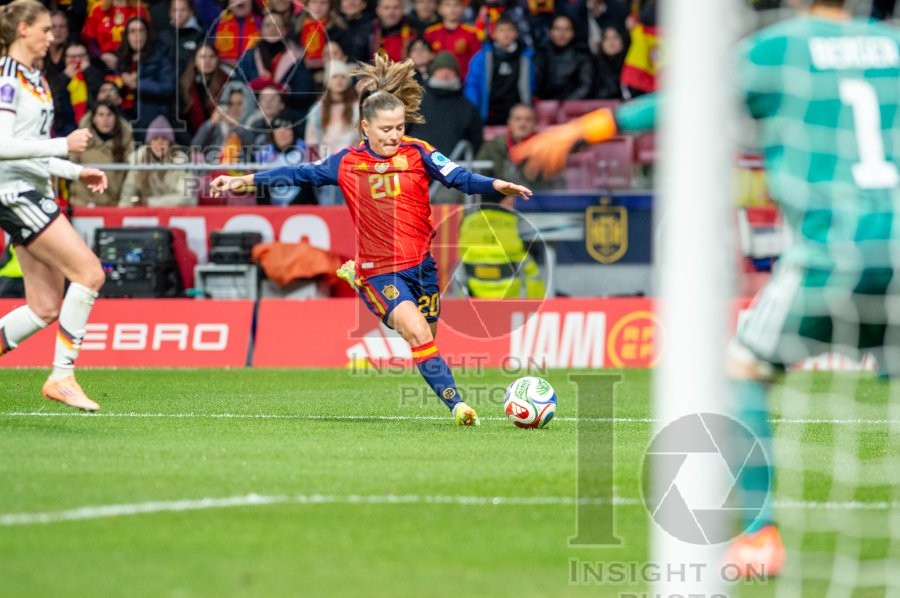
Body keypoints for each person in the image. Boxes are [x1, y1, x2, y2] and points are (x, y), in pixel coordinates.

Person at [512, 0, 900, 579]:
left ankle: (759, 534)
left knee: (742, 371)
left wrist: (586, 126)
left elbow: (686, 100)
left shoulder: (782, 49)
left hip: (830, 249)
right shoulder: (891, 46)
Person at [210, 55, 532, 425]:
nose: (394, 135)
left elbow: (457, 176)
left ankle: (448, 394)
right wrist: (242, 179)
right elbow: (298, 173)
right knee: (415, 329)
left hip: (422, 267)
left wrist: (495, 184)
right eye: (386, 129)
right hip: (381, 271)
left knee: (427, 336)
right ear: (365, 127)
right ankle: (459, 406)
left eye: (399, 127)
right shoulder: (346, 163)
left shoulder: (418, 152)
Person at [0, 0, 109, 411]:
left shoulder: (37, 78)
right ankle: (62, 376)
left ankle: (61, 376)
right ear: (23, 29)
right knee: (90, 273)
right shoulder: (6, 80)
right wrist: (63, 144)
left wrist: (73, 170)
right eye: (45, 30)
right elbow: (2, 145)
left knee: (45, 307)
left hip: (34, 189)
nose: (51, 37)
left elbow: (29, 151)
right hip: (14, 194)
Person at [463, 16, 534, 126]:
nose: (506, 34)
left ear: (516, 33)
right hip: (489, 112)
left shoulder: (526, 58)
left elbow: (532, 85)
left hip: (517, 114)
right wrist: (474, 110)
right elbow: (472, 85)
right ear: (494, 34)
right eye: (501, 30)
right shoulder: (481, 57)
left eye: (509, 30)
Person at [116, 16, 175, 142]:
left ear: (148, 34)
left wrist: (137, 85)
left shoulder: (161, 58)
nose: (137, 36)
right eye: (132, 31)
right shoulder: (121, 59)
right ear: (126, 36)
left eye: (141, 31)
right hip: (124, 118)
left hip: (151, 119)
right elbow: (114, 81)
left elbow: (168, 88)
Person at [119, 115, 195, 207]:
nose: (159, 143)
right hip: (147, 216)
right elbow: (127, 194)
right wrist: (121, 214)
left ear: (170, 143)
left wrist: (150, 202)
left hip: (176, 214)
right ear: (149, 142)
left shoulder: (182, 163)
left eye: (164, 138)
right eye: (155, 139)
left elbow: (186, 197)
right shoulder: (138, 161)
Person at [69, 100, 132, 206]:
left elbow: (129, 179)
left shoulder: (126, 144)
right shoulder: (80, 144)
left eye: (109, 114)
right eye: (101, 115)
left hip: (115, 206)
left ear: (116, 118)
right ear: (93, 119)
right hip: (84, 204)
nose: (105, 119)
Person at [533, 15, 594, 101]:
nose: (562, 34)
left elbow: (586, 85)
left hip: (574, 105)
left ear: (573, 32)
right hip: (545, 105)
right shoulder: (541, 54)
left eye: (567, 29)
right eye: (557, 29)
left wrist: (565, 104)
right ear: (550, 32)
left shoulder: (582, 55)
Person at [423, 0, 482, 81]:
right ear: (439, 9)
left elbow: (478, 62)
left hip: (463, 83)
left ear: (463, 8)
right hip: (435, 83)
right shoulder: (430, 33)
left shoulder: (472, 33)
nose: (452, 9)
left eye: (456, 5)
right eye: (447, 5)